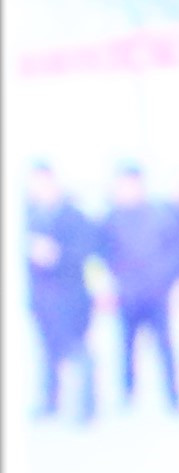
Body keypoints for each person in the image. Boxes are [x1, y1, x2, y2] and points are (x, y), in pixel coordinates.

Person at [99, 161, 179, 410]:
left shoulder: (160, 215)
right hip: (127, 294)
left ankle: (173, 397)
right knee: (125, 348)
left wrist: (167, 278)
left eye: (132, 185)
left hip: (156, 293)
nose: (128, 190)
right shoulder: (111, 219)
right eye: (123, 185)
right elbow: (103, 254)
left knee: (165, 348)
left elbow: (175, 250)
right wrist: (112, 282)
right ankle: (127, 394)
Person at [22, 165, 88, 424]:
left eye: (43, 184)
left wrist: (56, 253)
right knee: (47, 352)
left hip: (69, 294)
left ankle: (85, 406)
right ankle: (50, 402)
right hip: (41, 296)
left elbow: (84, 252)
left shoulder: (73, 216)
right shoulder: (29, 216)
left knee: (76, 350)